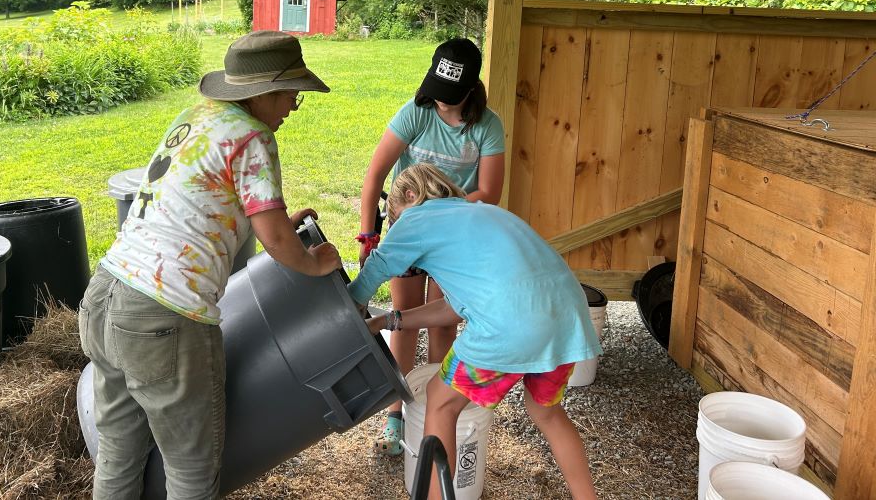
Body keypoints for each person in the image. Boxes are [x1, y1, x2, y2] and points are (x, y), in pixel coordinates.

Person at [78, 30, 342, 500]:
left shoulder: (196, 117)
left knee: (119, 453)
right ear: (262, 93)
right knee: (192, 469)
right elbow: (279, 242)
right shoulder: (253, 137)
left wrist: (276, 224)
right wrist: (312, 262)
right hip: (165, 318)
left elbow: (198, 203)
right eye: (290, 94)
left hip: (106, 296)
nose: (292, 107)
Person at [350, 163, 601, 500]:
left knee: (440, 403)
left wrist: (348, 308)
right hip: (566, 315)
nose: (399, 227)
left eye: (396, 217)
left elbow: (379, 265)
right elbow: (450, 310)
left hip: (511, 321)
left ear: (411, 195)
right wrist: (387, 320)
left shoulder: (418, 216)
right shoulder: (476, 217)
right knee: (547, 412)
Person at [357, 37, 505, 455]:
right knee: (401, 320)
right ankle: (394, 415)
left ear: (471, 90)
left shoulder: (486, 126)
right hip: (406, 232)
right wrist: (369, 234)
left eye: (449, 98)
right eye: (435, 93)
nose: (440, 103)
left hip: (454, 239)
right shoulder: (417, 113)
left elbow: (490, 191)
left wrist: (435, 212)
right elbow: (374, 179)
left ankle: (437, 413)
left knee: (442, 323)